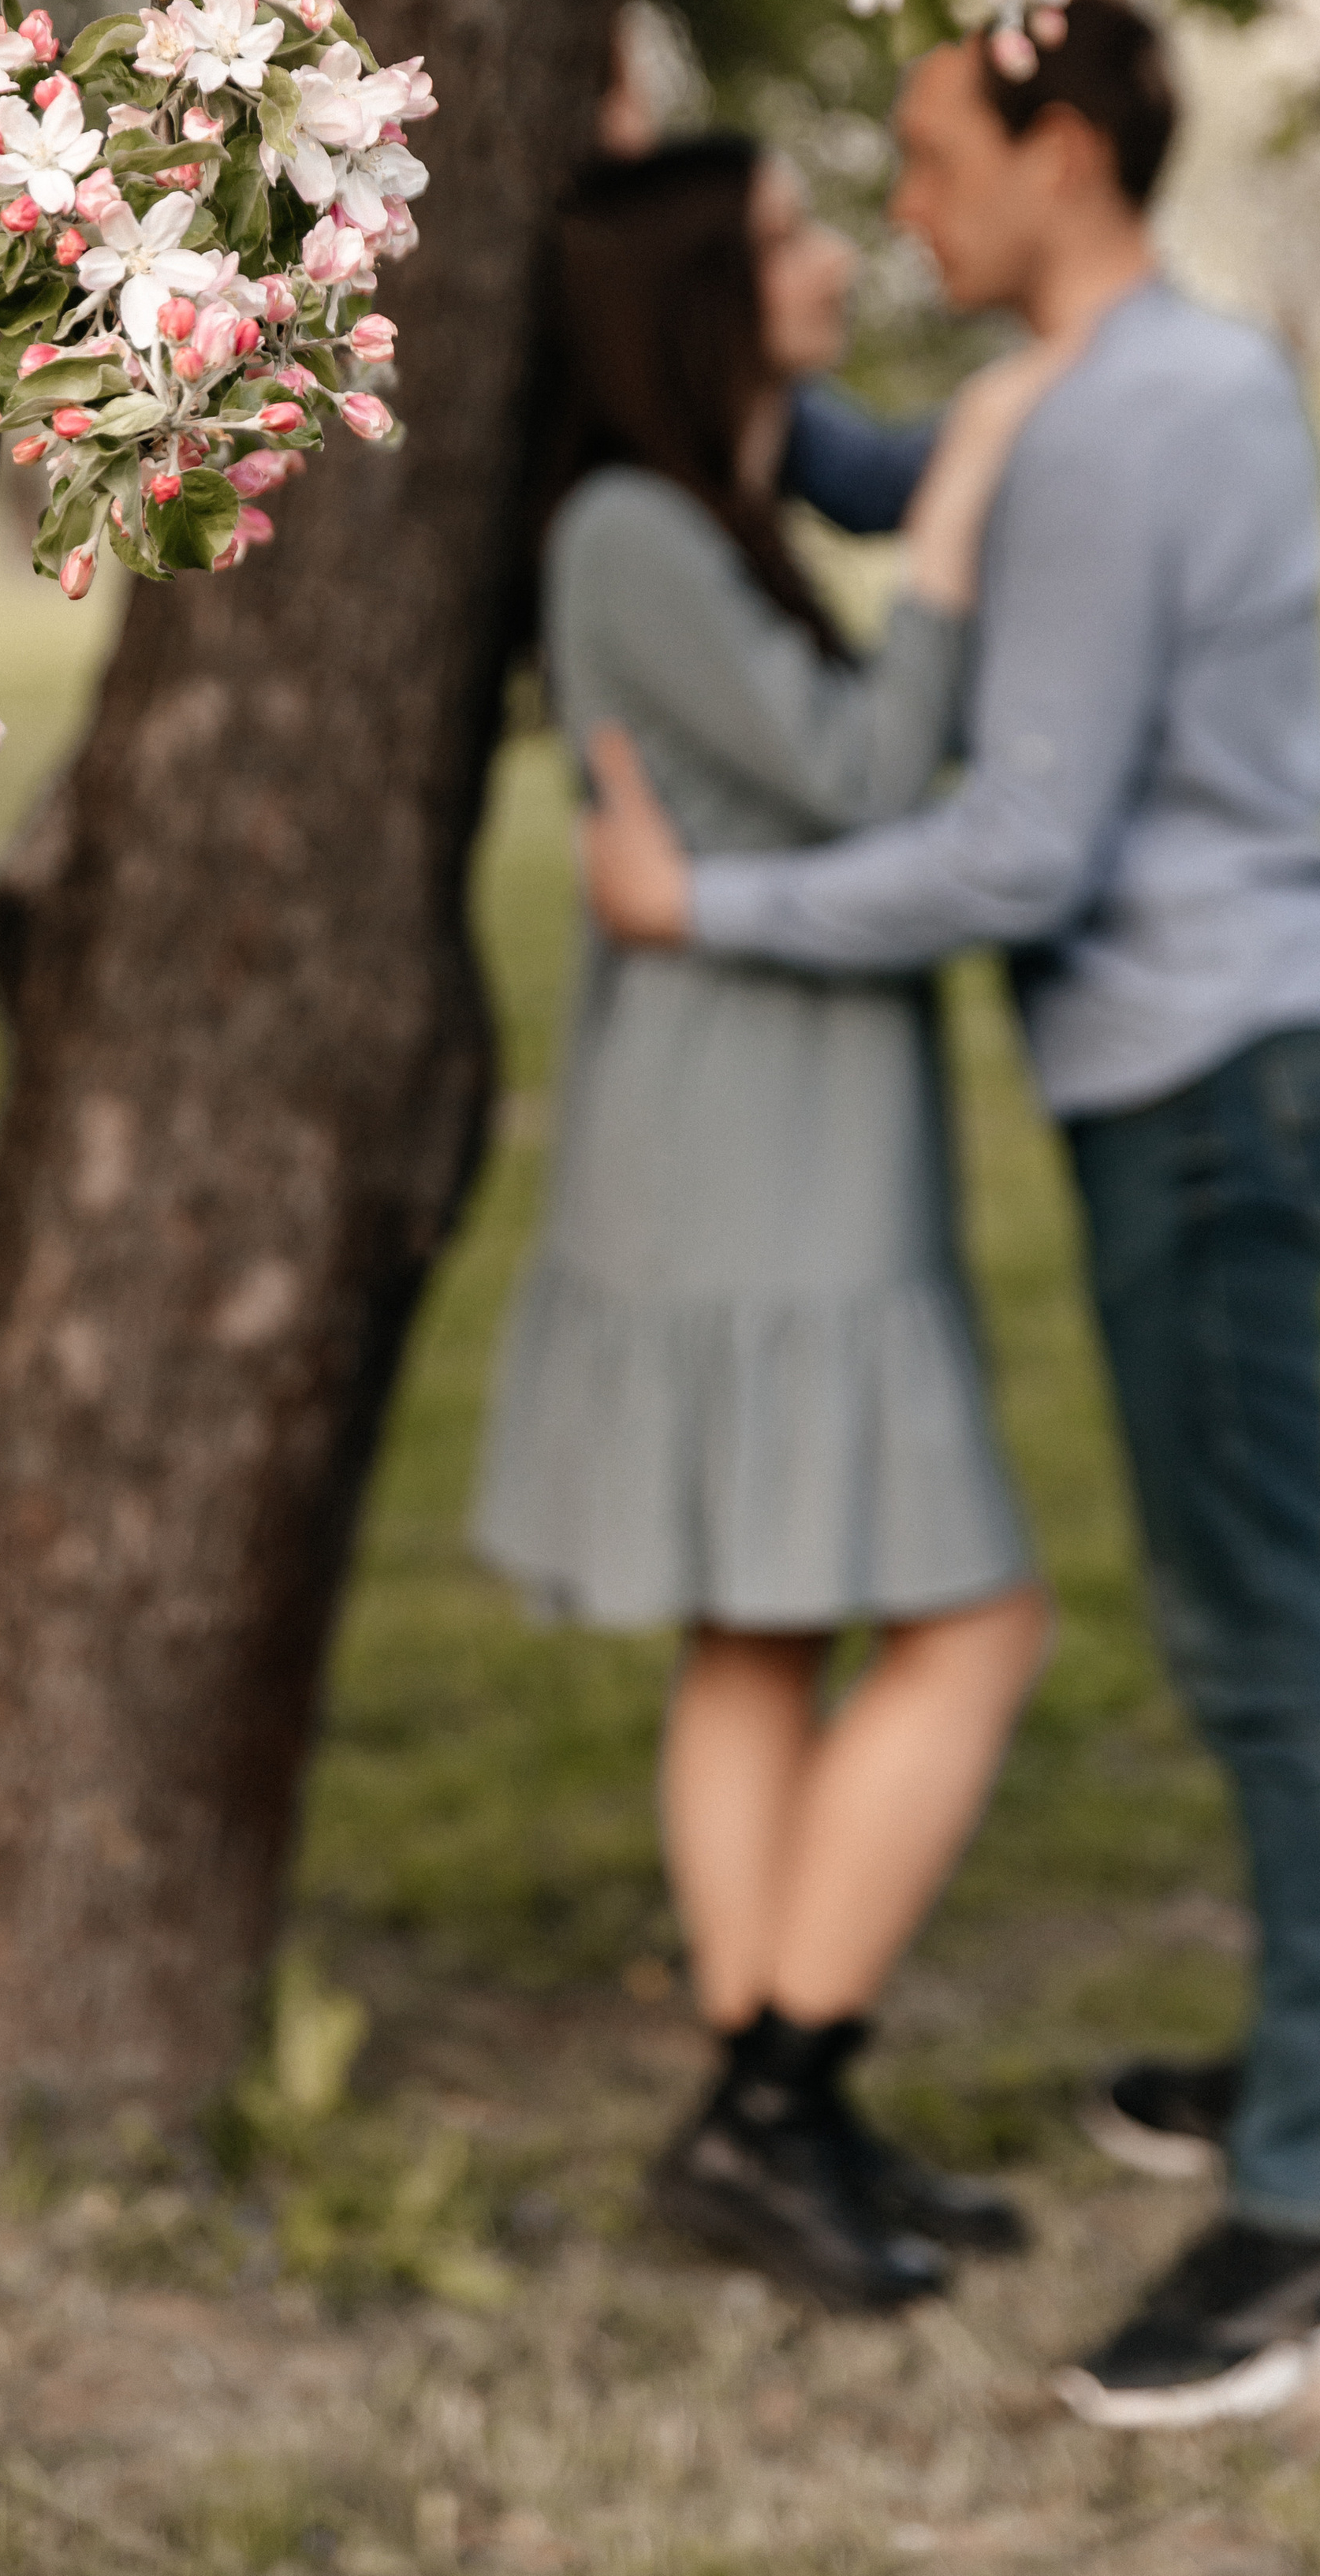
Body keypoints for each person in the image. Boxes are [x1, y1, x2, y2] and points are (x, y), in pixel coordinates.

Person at [580, 0, 1320, 2427]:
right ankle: (1317, 2061)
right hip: (1212, 1063)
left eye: (943, 147)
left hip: (1212, 1078)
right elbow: (842, 461)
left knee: (1259, 1627)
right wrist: (637, 214)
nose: (903, 190)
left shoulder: (1136, 416)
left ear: (1065, 149)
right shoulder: (1078, 394)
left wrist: (703, 918)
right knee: (1252, 1604)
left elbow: (1018, 846)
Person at [471, 133, 1060, 2316]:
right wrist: (967, 548)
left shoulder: (719, 486)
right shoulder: (630, 531)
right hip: (743, 1166)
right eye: (794, 237)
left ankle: (765, 2116)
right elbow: (863, 769)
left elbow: (868, 476)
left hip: (788, 1129)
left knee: (763, 1627)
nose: (834, 256)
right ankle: (780, 2088)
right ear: (709, 300)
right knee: (970, 1621)